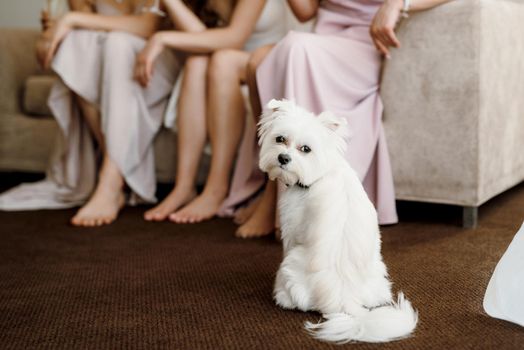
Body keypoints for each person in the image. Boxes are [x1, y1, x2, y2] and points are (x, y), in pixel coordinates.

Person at [234, 0, 454, 238]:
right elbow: (306, 11)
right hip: (325, 36)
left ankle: (281, 202)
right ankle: (273, 185)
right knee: (259, 62)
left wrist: (398, 3)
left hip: (368, 40)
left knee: (296, 46)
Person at [0, 0, 191, 226]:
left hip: (154, 59)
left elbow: (147, 27)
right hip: (110, 61)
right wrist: (52, 34)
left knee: (117, 43)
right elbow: (61, 43)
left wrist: (70, 19)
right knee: (76, 43)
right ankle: (117, 170)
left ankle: (110, 181)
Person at [139, 0, 289, 224]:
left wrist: (162, 38)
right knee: (197, 61)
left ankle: (216, 188)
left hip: (266, 58)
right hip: (229, 57)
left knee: (221, 60)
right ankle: (184, 186)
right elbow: (201, 36)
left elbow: (233, 38)